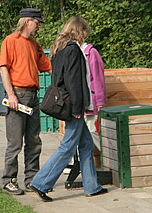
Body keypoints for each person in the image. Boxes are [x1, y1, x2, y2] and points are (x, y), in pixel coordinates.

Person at [29, 16, 108, 202]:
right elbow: (74, 81)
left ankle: (91, 186)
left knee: (87, 145)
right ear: (80, 31)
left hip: (65, 102)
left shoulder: (59, 48)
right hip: (73, 105)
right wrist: (78, 106)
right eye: (85, 32)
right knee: (68, 145)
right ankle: (41, 183)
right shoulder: (73, 50)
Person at [0, 8, 52, 195]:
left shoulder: (34, 45)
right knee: (15, 143)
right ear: (27, 21)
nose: (38, 26)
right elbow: (4, 69)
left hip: (33, 96)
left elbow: (48, 66)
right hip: (18, 96)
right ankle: (9, 180)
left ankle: (32, 179)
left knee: (34, 140)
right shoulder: (10, 41)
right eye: (37, 23)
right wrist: (11, 95)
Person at [81, 42, 106, 152]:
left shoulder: (91, 53)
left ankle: (110, 157)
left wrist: (100, 101)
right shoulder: (72, 51)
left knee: (93, 130)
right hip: (79, 102)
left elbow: (98, 78)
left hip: (91, 101)